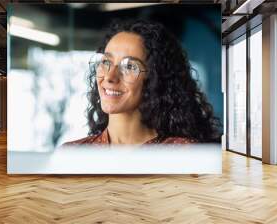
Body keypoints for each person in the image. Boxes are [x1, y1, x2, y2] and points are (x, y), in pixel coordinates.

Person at [64, 19, 220, 145]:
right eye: (106, 62)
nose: (110, 77)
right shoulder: (71, 155)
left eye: (130, 66)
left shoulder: (184, 154)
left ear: (155, 79)